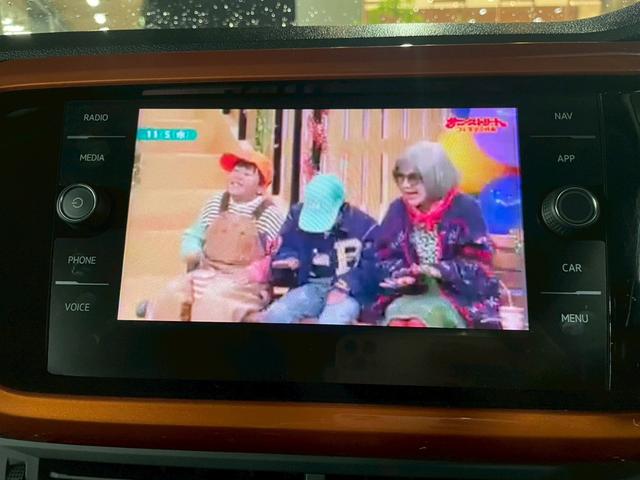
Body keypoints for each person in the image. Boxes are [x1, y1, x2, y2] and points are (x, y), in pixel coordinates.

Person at [371, 141, 501, 329]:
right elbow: (383, 257)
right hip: (411, 293)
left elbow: (479, 266)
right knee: (397, 323)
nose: (405, 185)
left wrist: (438, 270)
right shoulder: (398, 210)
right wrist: (403, 275)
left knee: (418, 323)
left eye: (414, 178)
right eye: (401, 178)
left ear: (435, 176)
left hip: (458, 295)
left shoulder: (465, 207)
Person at [144, 149, 284, 322]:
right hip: (207, 271)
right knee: (173, 293)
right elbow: (194, 234)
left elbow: (277, 256)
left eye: (247, 174)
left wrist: (252, 273)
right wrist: (193, 252)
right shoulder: (215, 203)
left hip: (245, 282)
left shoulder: (270, 214)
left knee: (211, 300)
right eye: (236, 171)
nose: (238, 176)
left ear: (261, 187)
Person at [263, 174, 378, 325]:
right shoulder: (296, 215)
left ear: (340, 206)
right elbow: (286, 243)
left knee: (332, 319)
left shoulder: (364, 226)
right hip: (311, 285)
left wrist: (347, 285)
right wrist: (288, 257)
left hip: (350, 291)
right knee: (276, 314)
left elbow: (374, 265)